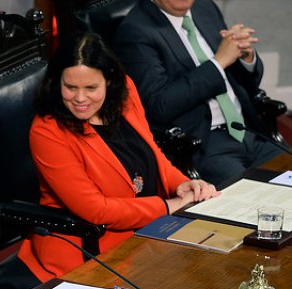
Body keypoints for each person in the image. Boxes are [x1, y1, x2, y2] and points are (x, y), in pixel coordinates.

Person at [16, 33, 219, 285]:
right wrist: (169, 207)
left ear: (109, 82)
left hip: (149, 230)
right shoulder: (47, 131)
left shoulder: (126, 92)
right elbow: (96, 210)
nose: (80, 99)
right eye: (70, 87)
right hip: (90, 248)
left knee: (217, 268)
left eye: (91, 88)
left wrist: (181, 184)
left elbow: (150, 152)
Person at [113, 0, 282, 187]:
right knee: (253, 201)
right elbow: (159, 105)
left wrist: (245, 57)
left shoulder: (204, 7)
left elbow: (247, 83)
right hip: (203, 145)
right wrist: (218, 63)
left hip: (247, 130)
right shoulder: (135, 32)